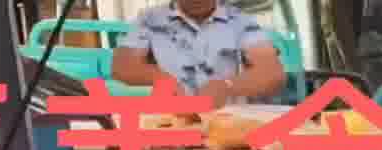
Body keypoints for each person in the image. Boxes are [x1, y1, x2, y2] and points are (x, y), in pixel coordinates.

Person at [113, 0, 283, 98]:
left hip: (227, 121)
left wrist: (227, 87)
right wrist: (161, 79)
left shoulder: (240, 21)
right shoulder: (149, 19)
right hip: (171, 121)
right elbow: (122, 66)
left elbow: (271, 73)